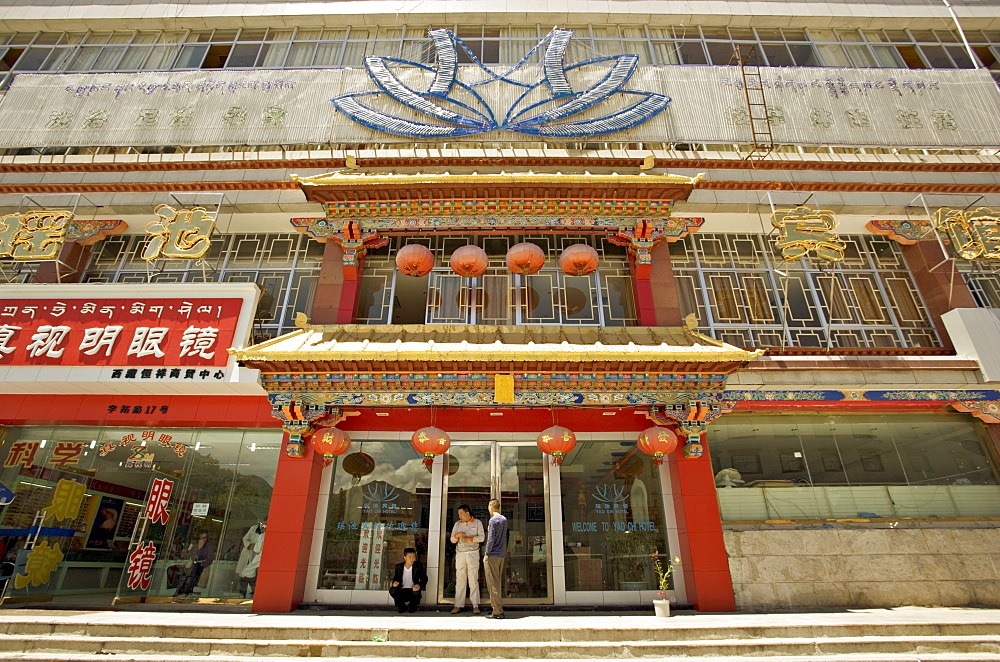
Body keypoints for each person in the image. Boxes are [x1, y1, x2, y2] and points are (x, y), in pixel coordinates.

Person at [449, 504, 485, 614]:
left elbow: (482, 537)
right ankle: (458, 605)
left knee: (473, 579)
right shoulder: (457, 524)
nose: (459, 516)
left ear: (467, 513)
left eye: (461, 513)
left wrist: (469, 539)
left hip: (473, 553)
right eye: (458, 514)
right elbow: (452, 540)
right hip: (460, 553)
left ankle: (475, 605)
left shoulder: (477, 522)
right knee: (460, 579)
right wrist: (457, 536)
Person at [482, 498, 508, 619]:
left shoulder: (493, 520)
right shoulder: (504, 519)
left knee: (492, 583)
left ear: (492, 506)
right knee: (497, 582)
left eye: (489, 506)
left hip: (492, 554)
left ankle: (497, 610)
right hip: (501, 554)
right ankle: (497, 608)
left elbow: (491, 538)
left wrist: (486, 553)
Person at [174, 530, 215, 597]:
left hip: (201, 565)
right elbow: (186, 554)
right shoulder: (194, 544)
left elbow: (210, 557)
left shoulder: (208, 545)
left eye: (204, 537)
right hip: (192, 564)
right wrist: (189, 549)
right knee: (187, 578)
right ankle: (182, 592)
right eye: (201, 537)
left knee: (195, 580)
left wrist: (203, 564)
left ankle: (189, 592)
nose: (202, 539)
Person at [389, 547, 427, 613]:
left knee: (411, 610)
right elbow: (396, 579)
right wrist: (395, 584)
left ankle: (412, 605)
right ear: (405, 558)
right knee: (392, 590)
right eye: (409, 557)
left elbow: (424, 578)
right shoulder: (399, 567)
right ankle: (401, 605)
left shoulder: (418, 566)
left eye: (413, 557)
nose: (412, 559)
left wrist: (419, 585)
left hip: (413, 590)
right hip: (402, 590)